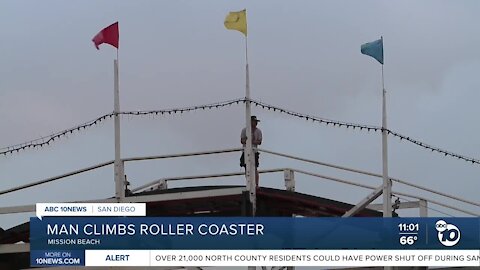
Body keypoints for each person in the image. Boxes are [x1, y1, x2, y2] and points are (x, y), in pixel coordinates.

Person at [240, 115, 262, 188]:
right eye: (254, 121)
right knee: (246, 167)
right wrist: (248, 141)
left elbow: (259, 141)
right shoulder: (244, 130)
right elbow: (242, 141)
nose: (256, 123)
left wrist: (250, 140)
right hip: (245, 151)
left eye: (256, 122)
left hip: (254, 151)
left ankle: (256, 184)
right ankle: (249, 183)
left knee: (254, 167)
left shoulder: (258, 131)